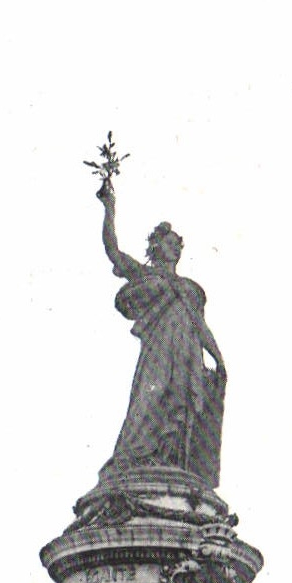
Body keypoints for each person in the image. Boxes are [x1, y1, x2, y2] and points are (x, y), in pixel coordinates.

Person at [97, 184, 227, 488]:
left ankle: (169, 463)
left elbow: (200, 326)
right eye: (169, 243)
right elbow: (112, 251)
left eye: (178, 244)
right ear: (156, 247)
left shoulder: (190, 289)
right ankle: (133, 460)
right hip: (159, 352)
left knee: (181, 408)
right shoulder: (147, 276)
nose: (175, 248)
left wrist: (219, 358)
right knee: (150, 399)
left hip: (186, 354)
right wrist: (109, 209)